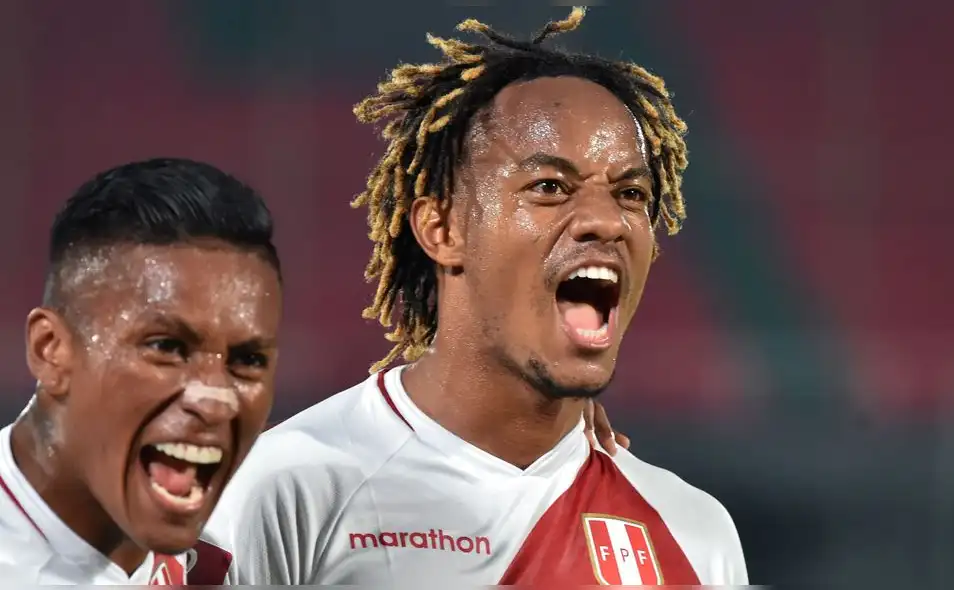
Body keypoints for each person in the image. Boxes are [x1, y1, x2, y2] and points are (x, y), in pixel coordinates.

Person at [202, 7, 747, 585]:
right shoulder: (288, 487)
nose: (605, 221)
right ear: (442, 229)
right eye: (549, 187)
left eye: (630, 192)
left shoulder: (694, 532)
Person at [0, 158, 283, 584]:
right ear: (50, 350)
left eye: (247, 360)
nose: (216, 400)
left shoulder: (242, 549)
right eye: (166, 347)